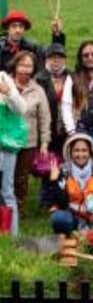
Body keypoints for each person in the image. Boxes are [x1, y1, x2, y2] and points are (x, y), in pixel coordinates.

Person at [10, 51, 51, 213]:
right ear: (15, 65)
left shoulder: (38, 90)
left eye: (29, 66)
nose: (25, 69)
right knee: (4, 176)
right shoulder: (4, 83)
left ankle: (18, 211)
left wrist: (45, 143)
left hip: (28, 142)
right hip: (5, 141)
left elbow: (45, 118)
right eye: (22, 65)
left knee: (21, 178)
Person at [48, 133, 93, 235]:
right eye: (76, 150)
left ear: (90, 152)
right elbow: (62, 203)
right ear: (71, 152)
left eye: (84, 150)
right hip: (73, 216)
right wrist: (53, 181)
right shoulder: (63, 171)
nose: (80, 155)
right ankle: (71, 233)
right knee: (58, 218)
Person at [0, 68, 26, 236]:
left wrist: (8, 91)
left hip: (5, 147)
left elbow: (21, 109)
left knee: (6, 191)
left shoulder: (2, 77)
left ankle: (12, 238)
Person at [0, 10, 66, 72]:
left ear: (25, 29)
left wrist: (57, 34)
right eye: (14, 26)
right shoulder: (1, 48)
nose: (18, 30)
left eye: (21, 26)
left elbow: (53, 53)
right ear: (7, 29)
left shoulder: (32, 47)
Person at [34, 43, 70, 156]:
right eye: (52, 57)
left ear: (64, 60)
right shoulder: (38, 79)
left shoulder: (72, 76)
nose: (56, 60)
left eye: (59, 57)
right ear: (46, 59)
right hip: (46, 130)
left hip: (66, 130)